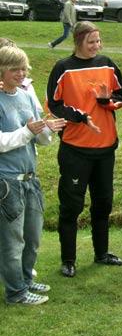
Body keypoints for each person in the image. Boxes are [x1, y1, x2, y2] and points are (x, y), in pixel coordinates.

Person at [46, 21, 122, 278]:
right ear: (78, 41)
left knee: (103, 203)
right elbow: (54, 105)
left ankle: (101, 253)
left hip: (105, 149)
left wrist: (106, 102)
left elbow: (121, 97)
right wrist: (79, 116)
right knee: (71, 206)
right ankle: (68, 260)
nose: (96, 46)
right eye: (91, 41)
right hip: (75, 149)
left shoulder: (107, 64)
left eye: (98, 41)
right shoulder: (63, 68)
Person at [0, 46, 66, 304]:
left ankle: (26, 280)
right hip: (8, 182)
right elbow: (2, 142)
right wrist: (29, 131)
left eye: (23, 69)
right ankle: (16, 292)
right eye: (14, 69)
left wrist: (48, 130)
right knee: (12, 242)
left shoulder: (26, 96)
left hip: (31, 179)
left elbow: (40, 140)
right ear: (1, 70)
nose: (21, 74)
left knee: (32, 237)